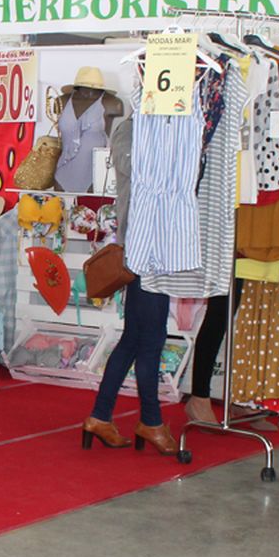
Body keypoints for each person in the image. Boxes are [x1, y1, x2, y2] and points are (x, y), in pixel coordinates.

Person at [81, 117, 177, 456]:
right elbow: (136, 171)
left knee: (136, 337)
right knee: (151, 339)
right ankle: (151, 421)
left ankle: (100, 416)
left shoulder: (161, 126)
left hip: (153, 246)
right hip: (144, 246)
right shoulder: (132, 128)